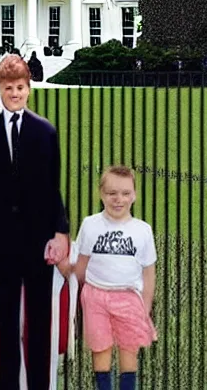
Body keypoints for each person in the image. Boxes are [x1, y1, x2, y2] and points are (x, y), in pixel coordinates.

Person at [0, 54, 69, 389]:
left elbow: (54, 183)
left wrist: (60, 232)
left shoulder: (45, 131)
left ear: (29, 89)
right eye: (8, 87)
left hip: (38, 238)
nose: (14, 93)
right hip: (1, 241)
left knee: (39, 323)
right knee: (6, 324)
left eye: (20, 87)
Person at [58, 165, 157, 390]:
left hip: (129, 298)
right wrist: (66, 268)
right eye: (112, 193)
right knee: (100, 352)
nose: (118, 199)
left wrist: (146, 307)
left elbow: (149, 273)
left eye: (125, 193)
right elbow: (81, 265)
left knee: (128, 355)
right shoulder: (91, 224)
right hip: (95, 296)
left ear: (134, 195)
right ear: (101, 194)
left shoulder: (142, 230)